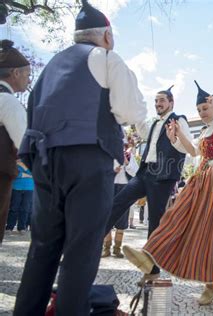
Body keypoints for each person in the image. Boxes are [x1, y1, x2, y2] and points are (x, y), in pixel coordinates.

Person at [14, 1, 147, 315]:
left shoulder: (51, 66)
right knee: (81, 250)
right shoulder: (106, 58)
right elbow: (130, 111)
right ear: (107, 36)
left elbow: (33, 114)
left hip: (45, 161)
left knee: (42, 249)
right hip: (88, 157)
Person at [122, 81, 213, 306]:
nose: (202, 113)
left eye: (204, 109)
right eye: (199, 110)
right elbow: (194, 151)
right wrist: (175, 138)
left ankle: (212, 281)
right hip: (201, 178)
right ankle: (149, 257)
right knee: (176, 216)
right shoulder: (206, 130)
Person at [104, 84, 192, 281]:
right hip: (145, 173)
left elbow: (187, 145)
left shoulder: (179, 120)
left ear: (171, 102)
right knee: (119, 201)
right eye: (156, 101)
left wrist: (176, 136)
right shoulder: (154, 123)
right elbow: (142, 131)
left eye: (161, 100)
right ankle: (93, 242)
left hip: (163, 175)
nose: (157, 103)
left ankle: (152, 268)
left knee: (155, 219)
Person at [0, 40, 30, 244]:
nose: (28, 81)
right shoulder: (8, 101)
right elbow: (26, 144)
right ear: (15, 73)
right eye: (28, 75)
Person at [102, 142, 139, 258]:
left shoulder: (129, 156)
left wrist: (127, 164)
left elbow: (136, 172)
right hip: (110, 186)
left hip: (124, 187)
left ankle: (117, 249)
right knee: (107, 216)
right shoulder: (108, 155)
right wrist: (113, 171)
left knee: (122, 218)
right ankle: (106, 248)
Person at [5, 160, 34, 234]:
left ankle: (22, 228)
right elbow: (14, 174)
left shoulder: (30, 162)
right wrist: (27, 175)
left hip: (29, 188)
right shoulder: (15, 162)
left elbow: (34, 173)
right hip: (16, 188)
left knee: (25, 209)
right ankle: (9, 227)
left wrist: (24, 167)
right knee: (14, 208)